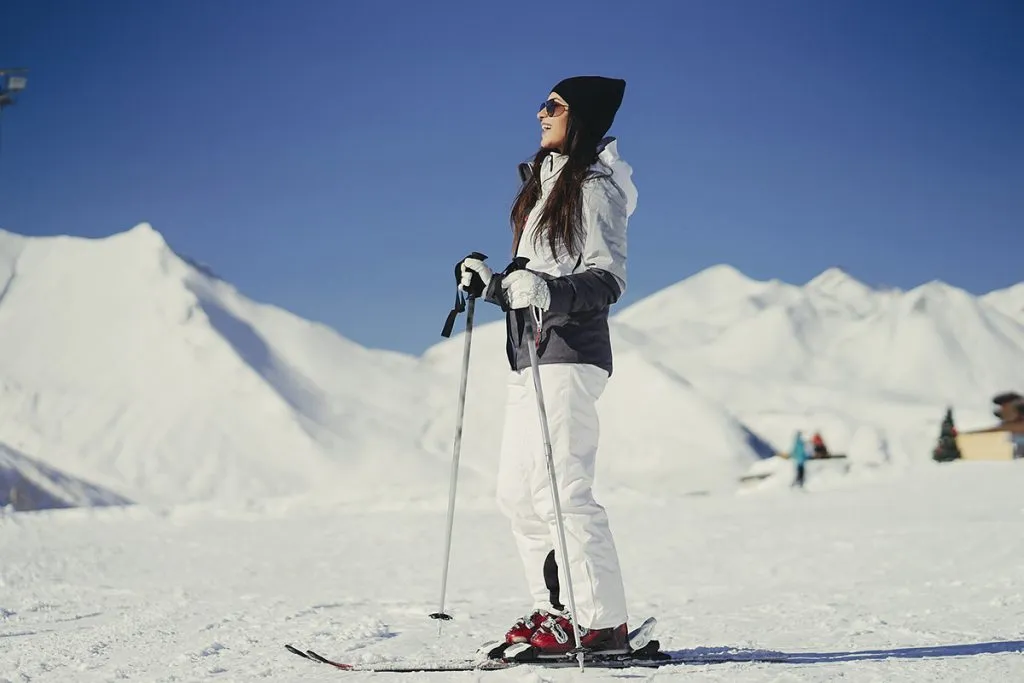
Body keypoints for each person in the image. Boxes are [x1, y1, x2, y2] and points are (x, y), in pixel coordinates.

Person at [457, 75, 637, 654]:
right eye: (542, 102)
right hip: (528, 356)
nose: (540, 112)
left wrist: (546, 293)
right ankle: (555, 612)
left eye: (554, 105)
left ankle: (601, 623)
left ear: (579, 117)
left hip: (570, 355)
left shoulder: (596, 187)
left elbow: (607, 279)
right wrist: (492, 285)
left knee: (562, 491)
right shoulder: (542, 186)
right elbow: (530, 283)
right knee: (518, 493)